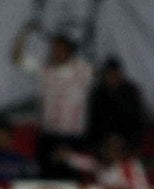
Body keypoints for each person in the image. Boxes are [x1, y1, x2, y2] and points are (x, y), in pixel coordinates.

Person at [12, 24, 93, 179]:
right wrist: (23, 32)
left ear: (69, 50)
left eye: (61, 48)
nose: (56, 51)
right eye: (55, 48)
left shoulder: (83, 70)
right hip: (49, 135)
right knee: (46, 178)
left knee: (71, 179)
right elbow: (17, 58)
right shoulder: (45, 69)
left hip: (72, 137)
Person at [87, 57, 146, 152]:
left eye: (114, 73)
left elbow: (137, 118)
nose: (112, 76)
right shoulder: (98, 93)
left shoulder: (130, 91)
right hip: (104, 141)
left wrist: (122, 139)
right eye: (109, 73)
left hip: (127, 140)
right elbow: (95, 121)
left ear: (120, 74)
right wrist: (108, 138)